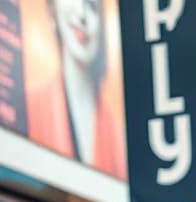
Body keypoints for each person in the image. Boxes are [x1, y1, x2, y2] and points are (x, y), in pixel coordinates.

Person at [25, 0, 126, 178]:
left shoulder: (119, 141)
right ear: (52, 11)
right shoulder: (29, 109)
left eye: (92, 6)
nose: (82, 15)